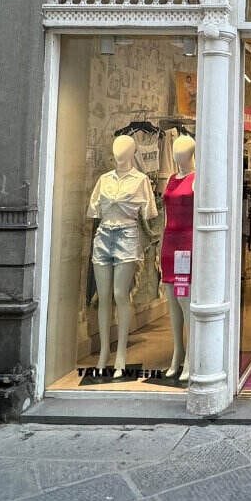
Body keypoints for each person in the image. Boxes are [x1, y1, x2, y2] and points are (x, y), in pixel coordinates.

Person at [87, 134, 158, 377]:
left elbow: (149, 213)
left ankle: (121, 354)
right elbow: (94, 211)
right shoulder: (103, 180)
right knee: (103, 296)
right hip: (104, 235)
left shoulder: (141, 180)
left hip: (128, 235)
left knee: (120, 294)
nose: (118, 153)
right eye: (116, 148)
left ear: (132, 152)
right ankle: (104, 352)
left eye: (124, 148)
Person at [161, 134, 195, 381]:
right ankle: (177, 352)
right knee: (172, 301)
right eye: (174, 151)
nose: (176, 155)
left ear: (191, 153)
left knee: (186, 300)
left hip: (187, 243)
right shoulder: (171, 179)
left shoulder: (197, 179)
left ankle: (191, 355)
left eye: (181, 151)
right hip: (169, 242)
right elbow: (165, 214)